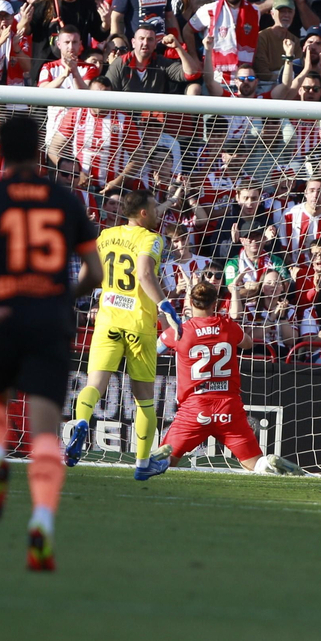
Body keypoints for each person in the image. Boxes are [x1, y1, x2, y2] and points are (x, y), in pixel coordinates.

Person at [0, 111, 101, 571]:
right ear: (40, 151)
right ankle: (41, 523)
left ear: (0, 150)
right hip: (49, 320)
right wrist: (62, 297)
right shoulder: (65, 200)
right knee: (44, 433)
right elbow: (94, 272)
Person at [64, 188, 180, 479]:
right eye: (155, 208)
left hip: (107, 321)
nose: (158, 214)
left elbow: (87, 274)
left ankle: (81, 422)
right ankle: (142, 464)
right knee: (145, 399)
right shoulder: (152, 239)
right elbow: (144, 274)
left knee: (94, 384)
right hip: (139, 325)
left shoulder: (106, 236)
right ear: (143, 213)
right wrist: (165, 306)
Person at [153, 279, 301, 473]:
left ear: (190, 301)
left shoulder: (180, 331)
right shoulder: (228, 326)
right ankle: (266, 463)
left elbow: (155, 351)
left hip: (195, 407)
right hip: (228, 406)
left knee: (165, 461)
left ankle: (158, 460)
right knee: (254, 464)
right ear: (215, 303)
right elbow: (248, 343)